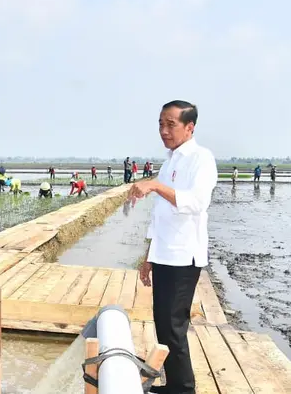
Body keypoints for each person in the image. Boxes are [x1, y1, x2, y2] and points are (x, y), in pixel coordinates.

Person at [130, 100, 217, 394]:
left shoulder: (201, 159)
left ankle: (184, 388)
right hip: (165, 253)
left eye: (171, 124)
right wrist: (149, 257)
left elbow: (195, 202)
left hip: (184, 255)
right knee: (163, 321)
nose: (164, 130)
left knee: (174, 323)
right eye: (160, 124)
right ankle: (176, 383)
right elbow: (160, 215)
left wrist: (154, 185)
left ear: (189, 127)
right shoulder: (170, 161)